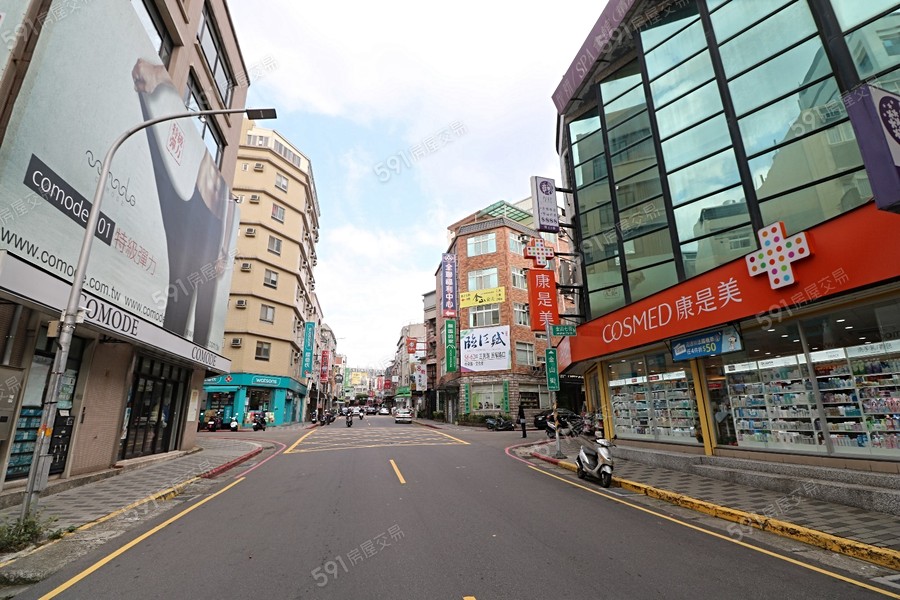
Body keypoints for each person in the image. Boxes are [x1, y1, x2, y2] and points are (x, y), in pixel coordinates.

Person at [132, 58, 236, 347]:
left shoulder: (221, 191)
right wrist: (158, 74)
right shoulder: (200, 153)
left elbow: (228, 205)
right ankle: (165, 345)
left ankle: (189, 354)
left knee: (204, 307)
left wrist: (223, 250)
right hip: (194, 208)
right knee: (180, 287)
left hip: (212, 226)